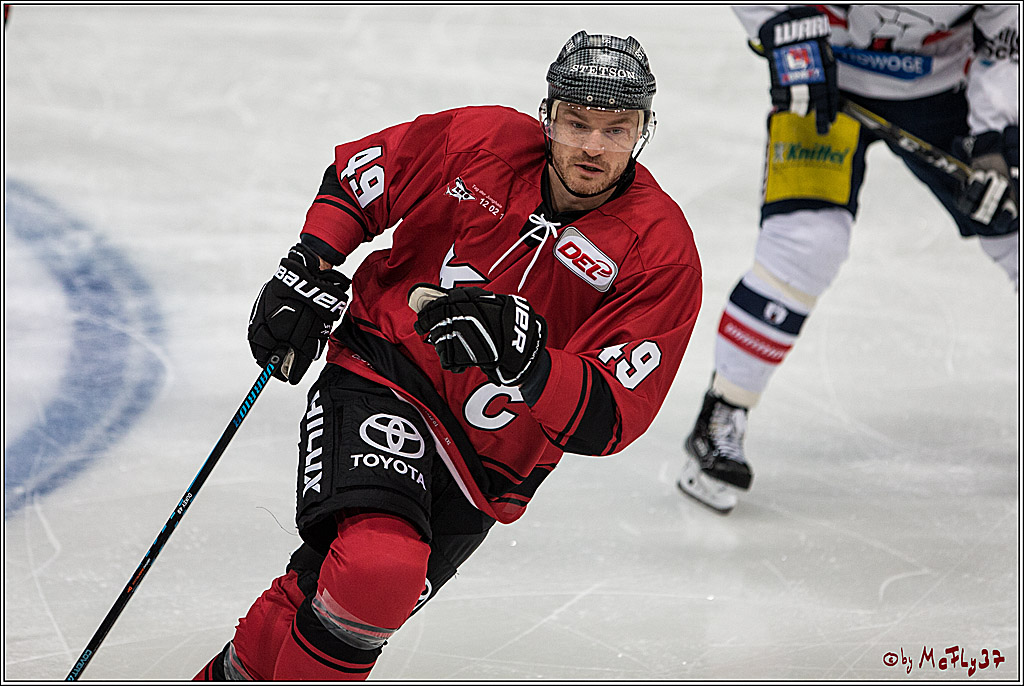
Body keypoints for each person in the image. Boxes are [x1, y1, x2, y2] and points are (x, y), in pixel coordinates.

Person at [194, 30, 701, 681]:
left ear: (644, 129)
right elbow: (365, 176)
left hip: (484, 466)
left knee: (334, 594)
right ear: (547, 116)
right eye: (577, 123)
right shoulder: (485, 142)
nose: (594, 147)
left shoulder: (658, 248)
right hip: (385, 370)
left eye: (616, 128)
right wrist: (310, 261)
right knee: (378, 567)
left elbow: (613, 414)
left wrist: (531, 364)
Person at [677, 5, 1019, 514]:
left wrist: (995, 137)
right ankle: (722, 413)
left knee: (1013, 224)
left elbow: (1006, 30)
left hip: (948, 89)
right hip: (823, 76)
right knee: (805, 243)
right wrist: (789, 34)